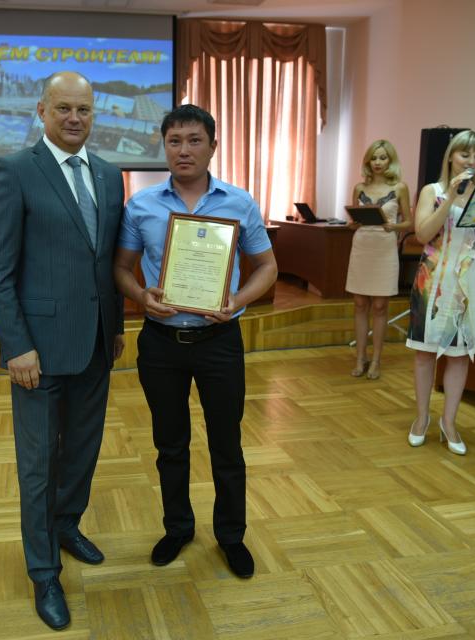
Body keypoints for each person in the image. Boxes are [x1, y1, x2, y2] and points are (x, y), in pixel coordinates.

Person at [0, 71, 125, 631]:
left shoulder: (109, 175)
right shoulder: (13, 170)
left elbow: (106, 262)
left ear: (93, 115)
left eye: (83, 110)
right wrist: (16, 346)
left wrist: (116, 326)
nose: (74, 118)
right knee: (38, 467)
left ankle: (67, 526)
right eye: (63, 108)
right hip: (36, 354)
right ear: (41, 111)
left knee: (82, 451)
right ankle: (44, 573)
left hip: (96, 344)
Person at [113, 104, 277, 579]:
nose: (183, 150)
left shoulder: (239, 203)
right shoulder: (141, 205)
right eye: (174, 141)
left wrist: (237, 299)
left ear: (212, 147)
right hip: (161, 343)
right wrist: (142, 296)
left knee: (227, 444)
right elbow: (121, 269)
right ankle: (178, 528)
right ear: (163, 147)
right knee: (170, 444)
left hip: (219, 340)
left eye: (194, 140)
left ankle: (231, 536)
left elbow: (268, 267)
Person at [405, 130, 475, 455]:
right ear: (451, 156)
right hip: (433, 280)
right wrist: (452, 198)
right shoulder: (433, 191)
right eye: (465, 154)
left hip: (470, 283)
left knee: (460, 355)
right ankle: (422, 418)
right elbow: (422, 233)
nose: (471, 161)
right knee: (425, 352)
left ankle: (449, 422)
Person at [345, 140, 412, 380]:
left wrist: (394, 226)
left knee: (380, 306)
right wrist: (352, 224)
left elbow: (409, 222)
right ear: (368, 161)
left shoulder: (400, 187)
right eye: (374, 158)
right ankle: (360, 357)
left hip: (385, 248)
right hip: (362, 246)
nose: (378, 162)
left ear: (390, 161)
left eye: (383, 158)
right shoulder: (359, 188)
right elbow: (353, 223)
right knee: (360, 304)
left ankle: (376, 360)